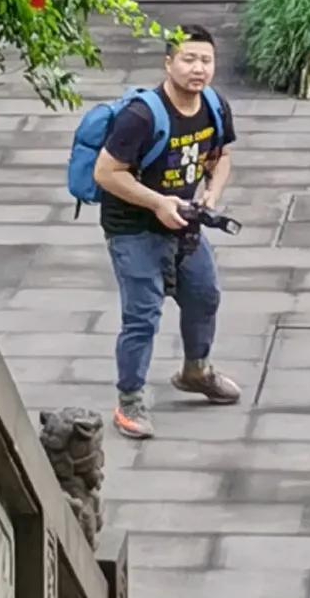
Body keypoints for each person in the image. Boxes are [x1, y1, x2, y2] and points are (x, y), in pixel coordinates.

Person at [92, 25, 244, 441]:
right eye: (188, 59)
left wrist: (211, 193)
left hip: (184, 223)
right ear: (168, 63)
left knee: (204, 294)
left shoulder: (214, 105)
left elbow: (221, 156)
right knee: (142, 316)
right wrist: (157, 202)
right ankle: (130, 400)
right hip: (133, 229)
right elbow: (105, 173)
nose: (198, 69)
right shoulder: (140, 116)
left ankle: (196, 371)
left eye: (206, 60)